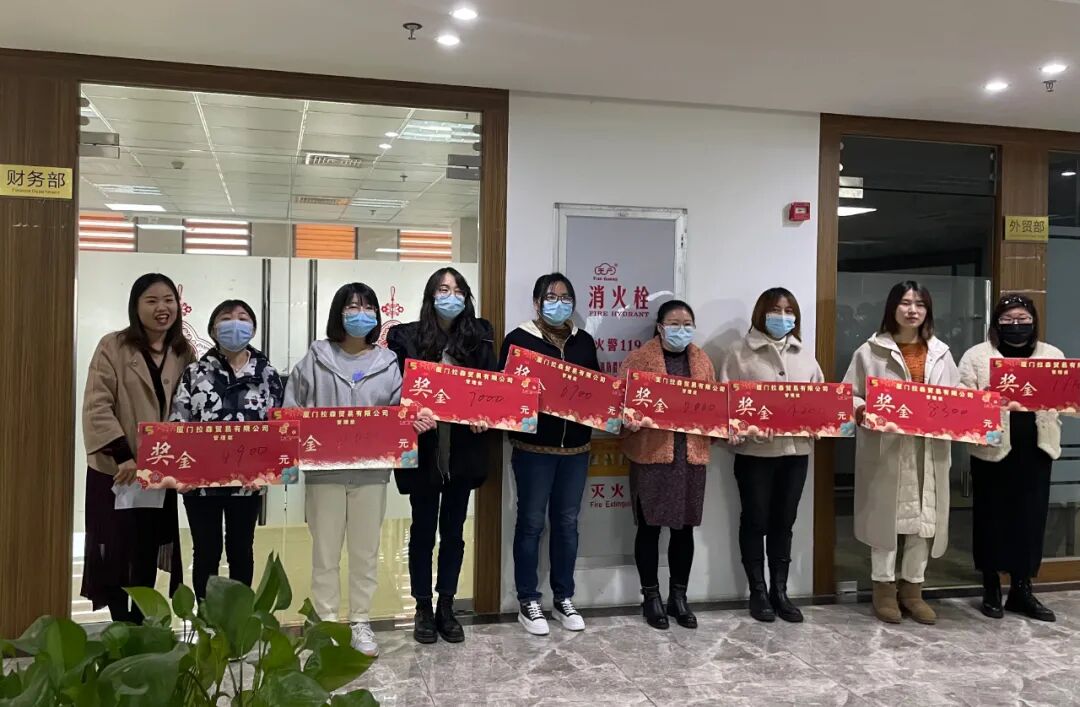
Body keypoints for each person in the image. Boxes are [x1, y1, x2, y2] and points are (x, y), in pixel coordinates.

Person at [285, 282, 411, 657]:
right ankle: (325, 623)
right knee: (324, 553)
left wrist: (414, 419)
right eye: (352, 307)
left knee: (365, 553)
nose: (361, 314)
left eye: (368, 307)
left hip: (371, 474)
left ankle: (360, 620)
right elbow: (291, 410)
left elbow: (400, 412)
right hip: (324, 473)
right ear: (338, 312)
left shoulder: (388, 363)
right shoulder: (315, 359)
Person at [388, 267, 496, 645]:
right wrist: (410, 412)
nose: (451, 296)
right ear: (431, 296)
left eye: (458, 290)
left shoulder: (480, 337)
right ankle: (422, 606)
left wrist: (487, 415)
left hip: (463, 450)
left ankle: (446, 606)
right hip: (425, 448)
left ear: (467, 297)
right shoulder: (407, 338)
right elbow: (395, 392)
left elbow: (494, 389)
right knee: (422, 531)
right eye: (443, 289)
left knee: (453, 533)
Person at [843, 281, 959, 625]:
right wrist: (862, 409)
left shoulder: (941, 352)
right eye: (906, 303)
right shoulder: (870, 351)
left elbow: (957, 397)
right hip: (888, 446)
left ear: (928, 310)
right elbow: (849, 394)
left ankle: (913, 590)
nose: (912, 310)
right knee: (887, 517)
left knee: (923, 519)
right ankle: (883, 589)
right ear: (892, 307)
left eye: (920, 304)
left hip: (929, 447)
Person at [81, 273, 194, 623]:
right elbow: (97, 405)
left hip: (158, 471)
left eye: (169, 300)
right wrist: (123, 456)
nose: (162, 308)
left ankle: (143, 622)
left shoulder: (183, 352)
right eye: (152, 300)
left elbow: (190, 409)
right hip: (117, 469)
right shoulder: (113, 346)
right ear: (136, 306)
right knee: (115, 548)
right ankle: (121, 623)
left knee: (147, 545)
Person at [498, 273, 599, 636]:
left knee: (567, 524)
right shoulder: (519, 340)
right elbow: (504, 394)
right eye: (551, 297)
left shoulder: (584, 341)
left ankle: (563, 597)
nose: (559, 303)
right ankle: (528, 599)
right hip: (533, 450)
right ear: (537, 302)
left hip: (576, 450)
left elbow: (596, 391)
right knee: (530, 523)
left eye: (565, 297)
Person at [719, 287, 823, 623]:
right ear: (761, 313)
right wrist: (743, 427)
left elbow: (821, 401)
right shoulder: (738, 353)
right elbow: (726, 406)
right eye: (776, 310)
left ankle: (780, 591)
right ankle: (758, 591)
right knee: (755, 520)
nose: (783, 316)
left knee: (784, 522)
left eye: (789, 310)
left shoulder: (805, 354)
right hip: (755, 454)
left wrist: (820, 424)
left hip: (796, 452)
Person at [169, 299, 284, 602]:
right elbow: (178, 422)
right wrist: (180, 472)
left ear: (253, 328)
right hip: (200, 484)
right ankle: (207, 617)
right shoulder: (194, 372)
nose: (235, 323)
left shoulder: (267, 374)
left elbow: (279, 428)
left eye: (243, 318)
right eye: (226, 318)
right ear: (213, 329)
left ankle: (238, 617)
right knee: (206, 550)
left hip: (248, 483)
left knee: (241, 549)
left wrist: (269, 471)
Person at [959, 294, 1062, 622]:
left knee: (1030, 519)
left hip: (1037, 450)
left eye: (1022, 319)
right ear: (996, 323)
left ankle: (1022, 588)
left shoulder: (1052, 356)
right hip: (992, 451)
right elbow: (962, 400)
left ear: (1033, 321)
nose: (1016, 325)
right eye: (1007, 320)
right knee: (991, 517)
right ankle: (990, 585)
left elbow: (1066, 398)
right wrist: (991, 402)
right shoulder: (977, 356)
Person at [619, 300, 714, 630]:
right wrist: (627, 420)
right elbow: (619, 405)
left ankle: (678, 597)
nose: (681, 329)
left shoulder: (702, 360)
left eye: (687, 323)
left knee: (684, 528)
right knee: (649, 529)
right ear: (659, 326)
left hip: (691, 457)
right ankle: (650, 597)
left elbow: (715, 408)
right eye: (674, 323)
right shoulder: (638, 359)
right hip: (652, 456)